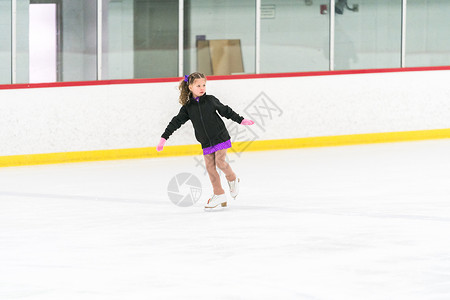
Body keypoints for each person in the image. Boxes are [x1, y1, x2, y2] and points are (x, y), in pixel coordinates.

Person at [156, 72, 254, 210]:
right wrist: (164, 138)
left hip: (220, 136)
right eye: (198, 85)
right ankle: (219, 193)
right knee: (209, 167)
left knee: (220, 162)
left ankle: (232, 179)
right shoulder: (188, 107)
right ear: (190, 87)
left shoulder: (211, 100)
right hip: (206, 142)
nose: (202, 88)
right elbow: (176, 122)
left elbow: (226, 111)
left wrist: (241, 120)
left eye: (204, 85)